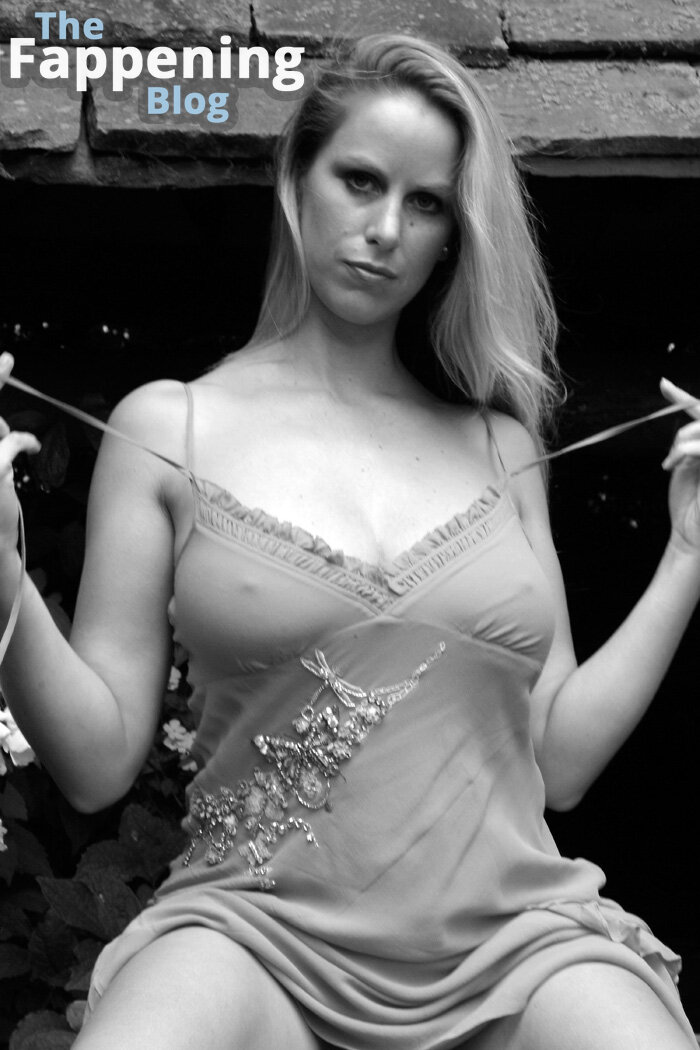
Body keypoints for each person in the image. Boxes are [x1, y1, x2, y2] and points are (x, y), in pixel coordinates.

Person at [0, 32, 699, 1050]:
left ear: (454, 235)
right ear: (296, 179)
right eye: (361, 181)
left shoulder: (502, 448)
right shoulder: (168, 429)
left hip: (515, 941)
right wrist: (3, 571)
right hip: (253, 933)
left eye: (426, 204)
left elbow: (556, 762)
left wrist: (686, 556)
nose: (385, 230)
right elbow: (96, 764)